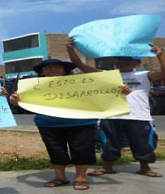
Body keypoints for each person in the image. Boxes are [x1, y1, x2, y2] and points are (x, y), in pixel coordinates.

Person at [8, 59, 131, 190]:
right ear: (42, 72)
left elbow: (104, 92)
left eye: (57, 67)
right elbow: (21, 105)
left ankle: (81, 177)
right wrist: (14, 101)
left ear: (65, 70)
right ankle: (60, 177)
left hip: (81, 121)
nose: (53, 70)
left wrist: (121, 90)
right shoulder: (31, 87)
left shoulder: (83, 83)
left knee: (82, 149)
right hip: (48, 123)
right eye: (48, 68)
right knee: (55, 151)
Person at [67, 38, 165, 178]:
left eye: (128, 60)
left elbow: (163, 74)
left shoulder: (144, 75)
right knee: (108, 142)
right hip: (110, 116)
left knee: (143, 143)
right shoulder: (106, 75)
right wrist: (70, 49)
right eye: (119, 60)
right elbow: (81, 65)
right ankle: (107, 167)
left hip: (138, 116)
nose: (122, 62)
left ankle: (145, 168)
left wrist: (160, 55)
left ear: (137, 63)